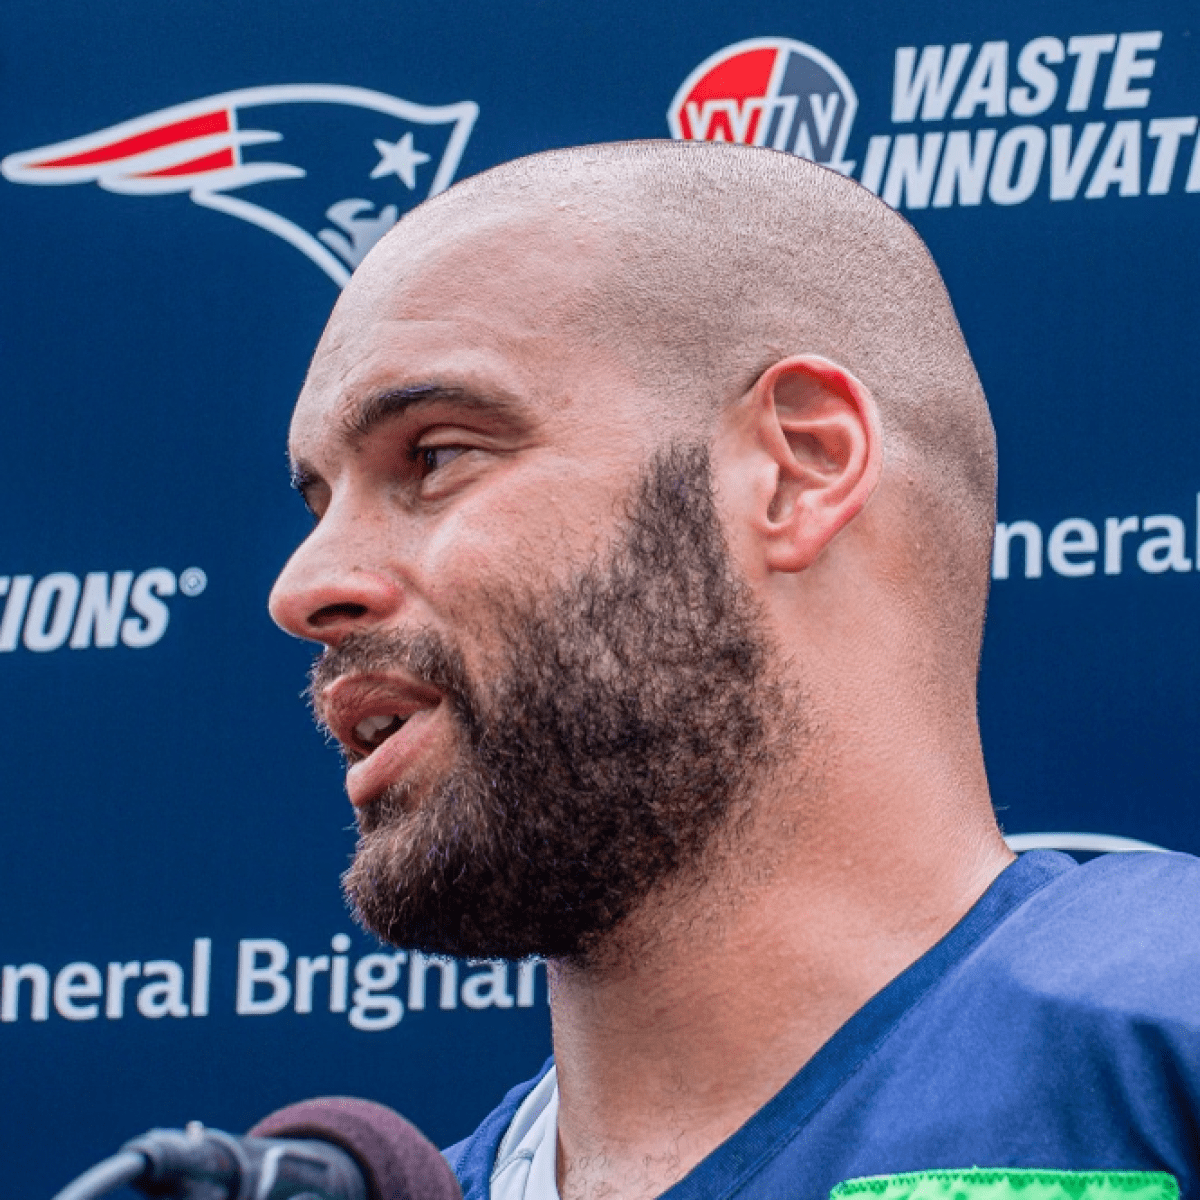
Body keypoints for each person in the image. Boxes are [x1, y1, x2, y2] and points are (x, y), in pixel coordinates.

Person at [268, 142, 1200, 1200]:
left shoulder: (1164, 1033)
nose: (304, 586)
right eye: (318, 502)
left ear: (797, 468)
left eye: (434, 456)